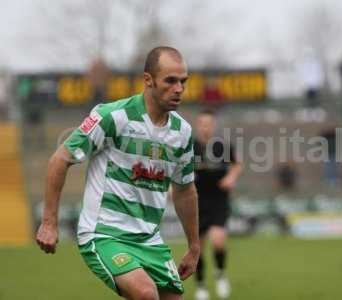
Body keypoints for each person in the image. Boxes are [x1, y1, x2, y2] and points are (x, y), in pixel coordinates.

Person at [36, 46, 200, 300]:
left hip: (150, 240)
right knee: (146, 294)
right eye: (170, 81)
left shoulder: (183, 132)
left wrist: (194, 246)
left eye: (183, 81)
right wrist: (49, 222)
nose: (178, 88)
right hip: (105, 234)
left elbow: (185, 190)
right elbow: (59, 160)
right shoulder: (112, 117)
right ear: (148, 80)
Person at [193, 110, 242, 300]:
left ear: (213, 126)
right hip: (196, 202)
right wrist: (174, 189)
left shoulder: (221, 146)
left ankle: (220, 274)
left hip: (218, 200)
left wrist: (231, 177)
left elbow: (238, 164)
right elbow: (177, 170)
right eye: (202, 123)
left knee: (218, 241)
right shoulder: (190, 147)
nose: (206, 127)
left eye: (209, 123)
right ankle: (201, 285)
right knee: (197, 247)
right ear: (198, 125)